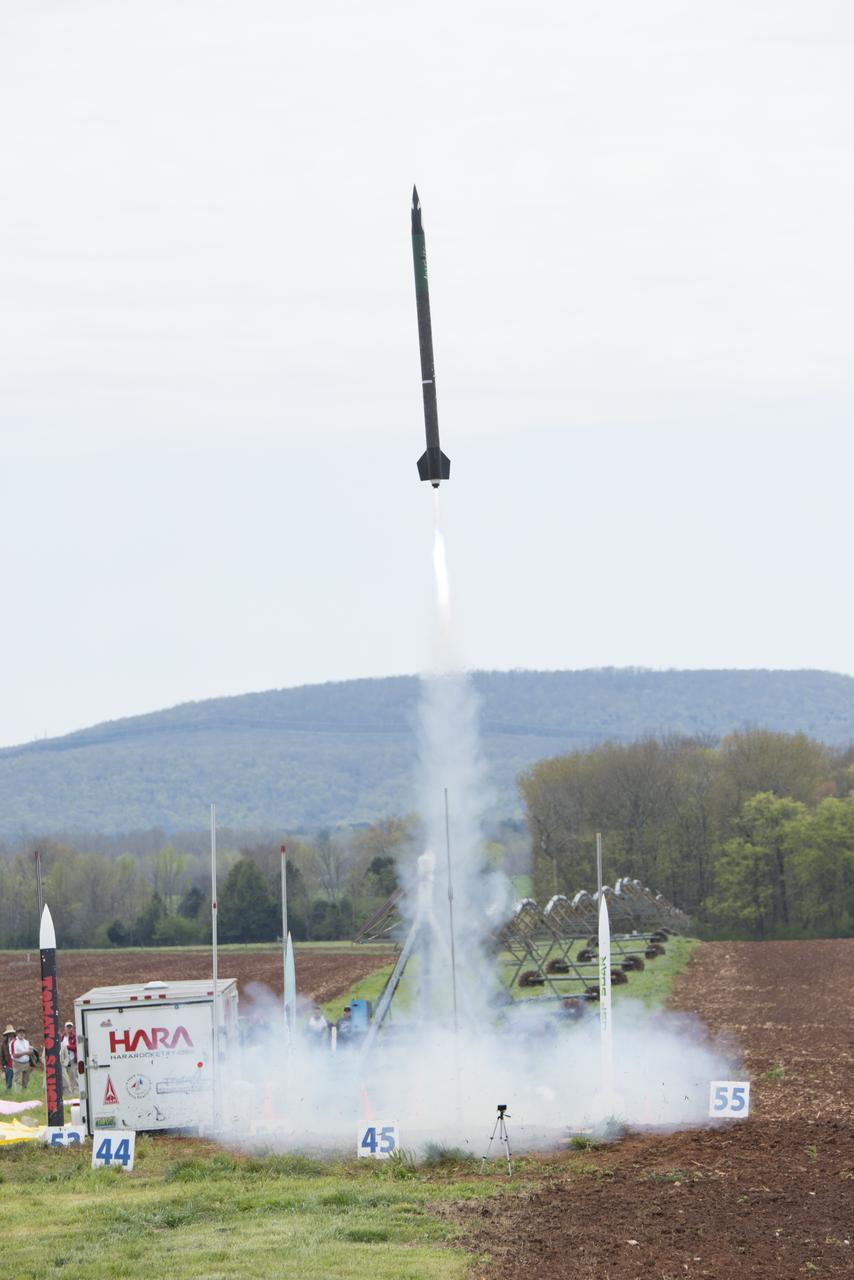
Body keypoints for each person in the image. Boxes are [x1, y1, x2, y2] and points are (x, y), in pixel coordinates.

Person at [10, 1026, 33, 1090]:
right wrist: (25, 1052)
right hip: (17, 1064)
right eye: (20, 1032)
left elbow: (30, 1053)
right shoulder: (13, 1042)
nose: (22, 1034)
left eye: (23, 1032)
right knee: (18, 1081)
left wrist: (31, 1052)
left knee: (25, 1081)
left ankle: (24, 1095)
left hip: (26, 1063)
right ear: (17, 1033)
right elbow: (14, 1055)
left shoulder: (27, 1042)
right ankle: (17, 1096)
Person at [60, 1021, 77, 1094]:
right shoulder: (62, 1037)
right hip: (64, 1060)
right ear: (65, 1028)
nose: (69, 1029)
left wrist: (67, 1047)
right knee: (64, 1078)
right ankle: (67, 1093)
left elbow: (76, 1047)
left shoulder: (74, 1037)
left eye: (70, 1027)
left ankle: (76, 1092)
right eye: (68, 1027)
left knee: (74, 1077)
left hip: (72, 1059)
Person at [1, 1024, 14, 1089]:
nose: (10, 1035)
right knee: (8, 1081)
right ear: (7, 1035)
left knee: (17, 1081)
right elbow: (2, 1056)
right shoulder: (4, 1044)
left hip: (16, 1063)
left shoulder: (17, 1041)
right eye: (9, 1033)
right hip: (8, 1064)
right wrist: (4, 1067)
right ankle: (8, 1093)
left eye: (11, 1033)